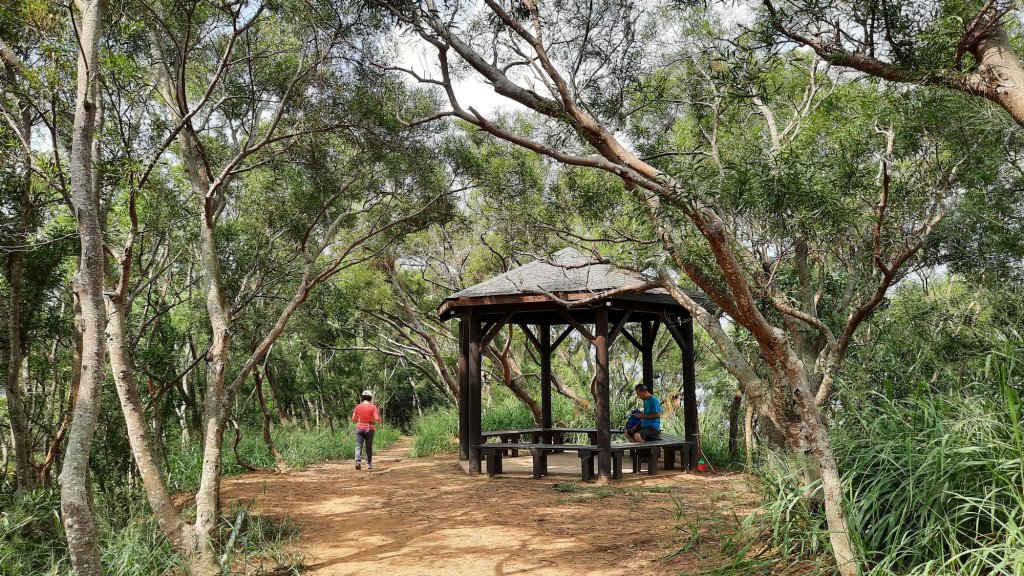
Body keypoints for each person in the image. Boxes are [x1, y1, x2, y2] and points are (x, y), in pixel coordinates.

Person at [351, 389, 382, 470]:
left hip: (359, 428)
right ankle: (368, 464)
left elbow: (353, 419)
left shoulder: (357, 407)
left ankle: (358, 462)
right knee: (368, 447)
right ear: (370, 398)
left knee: (358, 446)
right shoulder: (373, 407)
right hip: (369, 428)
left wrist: (359, 419)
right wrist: (380, 420)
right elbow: (377, 418)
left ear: (362, 397)